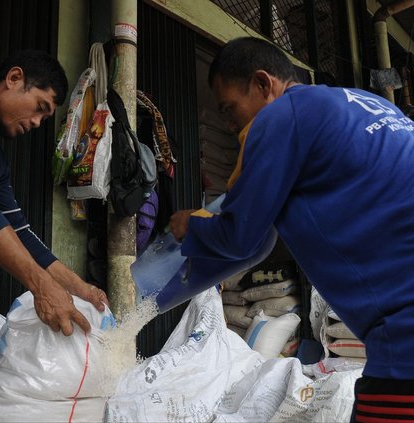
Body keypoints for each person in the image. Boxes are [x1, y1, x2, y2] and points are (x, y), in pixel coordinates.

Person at [169, 37, 414, 422]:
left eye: (230, 109)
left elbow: (240, 236)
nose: (230, 125)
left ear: (264, 84)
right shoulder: (371, 105)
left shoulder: (281, 115)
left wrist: (189, 226)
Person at [0, 49, 109, 422]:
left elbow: (22, 232)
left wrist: (81, 288)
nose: (37, 122)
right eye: (39, 107)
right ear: (15, 78)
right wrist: (41, 287)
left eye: (45, 116)